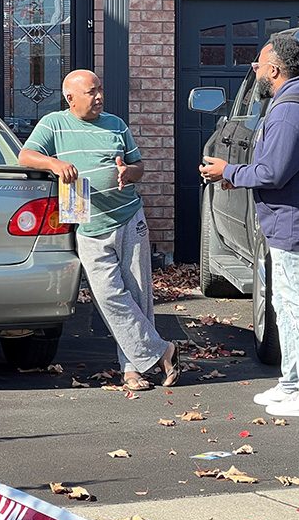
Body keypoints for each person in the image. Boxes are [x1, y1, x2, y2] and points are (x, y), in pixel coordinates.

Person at [199, 36, 299, 417]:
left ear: (275, 69)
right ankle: (292, 384)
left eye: (259, 64)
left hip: (297, 223)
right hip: (290, 220)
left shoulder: (291, 111)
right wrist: (238, 176)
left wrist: (228, 169)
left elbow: (273, 171)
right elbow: (279, 169)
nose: (255, 70)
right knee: (285, 304)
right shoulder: (296, 102)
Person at [19, 69, 179, 390]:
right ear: (70, 98)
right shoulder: (54, 124)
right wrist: (55, 164)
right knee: (108, 296)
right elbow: (25, 156)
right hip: (89, 225)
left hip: (128, 218)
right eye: (91, 92)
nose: (99, 97)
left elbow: (140, 167)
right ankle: (163, 350)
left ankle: (132, 369)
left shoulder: (116, 124)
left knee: (137, 296)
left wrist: (127, 172)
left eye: (99, 90)